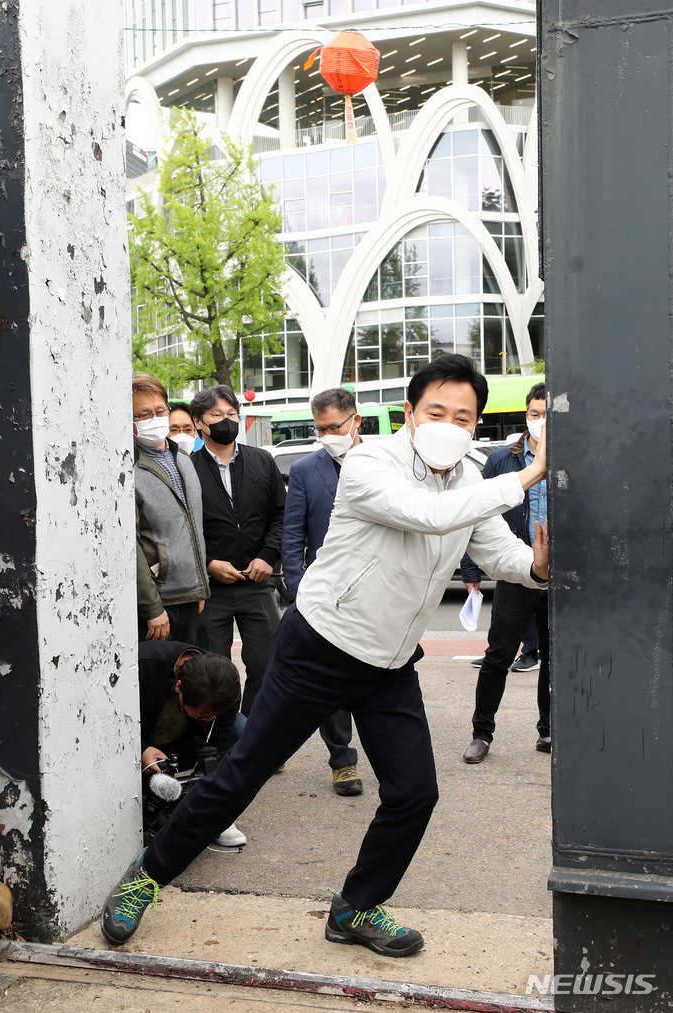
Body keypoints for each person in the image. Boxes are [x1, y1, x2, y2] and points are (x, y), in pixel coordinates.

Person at [102, 354, 548, 957]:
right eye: (436, 410)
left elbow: (496, 551)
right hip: (319, 648)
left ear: (475, 426)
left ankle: (356, 907)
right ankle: (147, 876)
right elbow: (428, 515)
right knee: (242, 775)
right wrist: (528, 474)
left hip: (389, 664)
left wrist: (534, 566)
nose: (449, 423)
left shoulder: (468, 483)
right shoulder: (369, 462)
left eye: (463, 416)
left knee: (415, 792)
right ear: (409, 414)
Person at [282, 387, 364, 797]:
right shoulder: (304, 470)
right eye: (321, 429)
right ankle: (342, 760)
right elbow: (293, 532)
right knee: (329, 679)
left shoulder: (383, 463)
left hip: (375, 590)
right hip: (324, 593)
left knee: (376, 676)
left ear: (355, 421)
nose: (329, 434)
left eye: (335, 426)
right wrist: (298, 588)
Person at [462, 382, 549, 764]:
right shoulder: (501, 460)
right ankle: (482, 733)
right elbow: (475, 516)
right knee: (498, 655)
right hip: (515, 572)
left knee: (555, 658)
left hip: (561, 579)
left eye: (547, 414)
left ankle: (548, 731)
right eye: (534, 414)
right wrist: (471, 573)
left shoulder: (579, 458)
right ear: (525, 416)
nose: (540, 421)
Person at [190, 385, 286, 716]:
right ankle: (224, 739)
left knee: (267, 664)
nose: (226, 420)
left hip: (257, 584)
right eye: (217, 415)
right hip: (211, 590)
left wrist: (267, 556)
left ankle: (253, 738)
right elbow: (184, 529)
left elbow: (280, 515)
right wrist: (208, 563)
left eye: (232, 414)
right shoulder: (187, 469)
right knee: (214, 674)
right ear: (199, 422)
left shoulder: (262, 461)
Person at [139, 641, 246, 846]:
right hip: (138, 745)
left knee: (241, 727)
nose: (211, 719)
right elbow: (112, 721)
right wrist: (142, 749)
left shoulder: (225, 683)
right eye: (205, 714)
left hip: (182, 745)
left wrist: (206, 796)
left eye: (215, 714)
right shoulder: (144, 665)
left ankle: (215, 814)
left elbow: (219, 742)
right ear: (179, 686)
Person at [133, 374, 209, 643]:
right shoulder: (127, 469)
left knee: (186, 677)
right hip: (158, 602)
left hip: (190, 594)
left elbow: (193, 527)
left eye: (160, 411)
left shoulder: (182, 457)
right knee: (158, 679)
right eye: (143, 415)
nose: (155, 419)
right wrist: (151, 607)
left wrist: (199, 587)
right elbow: (132, 546)